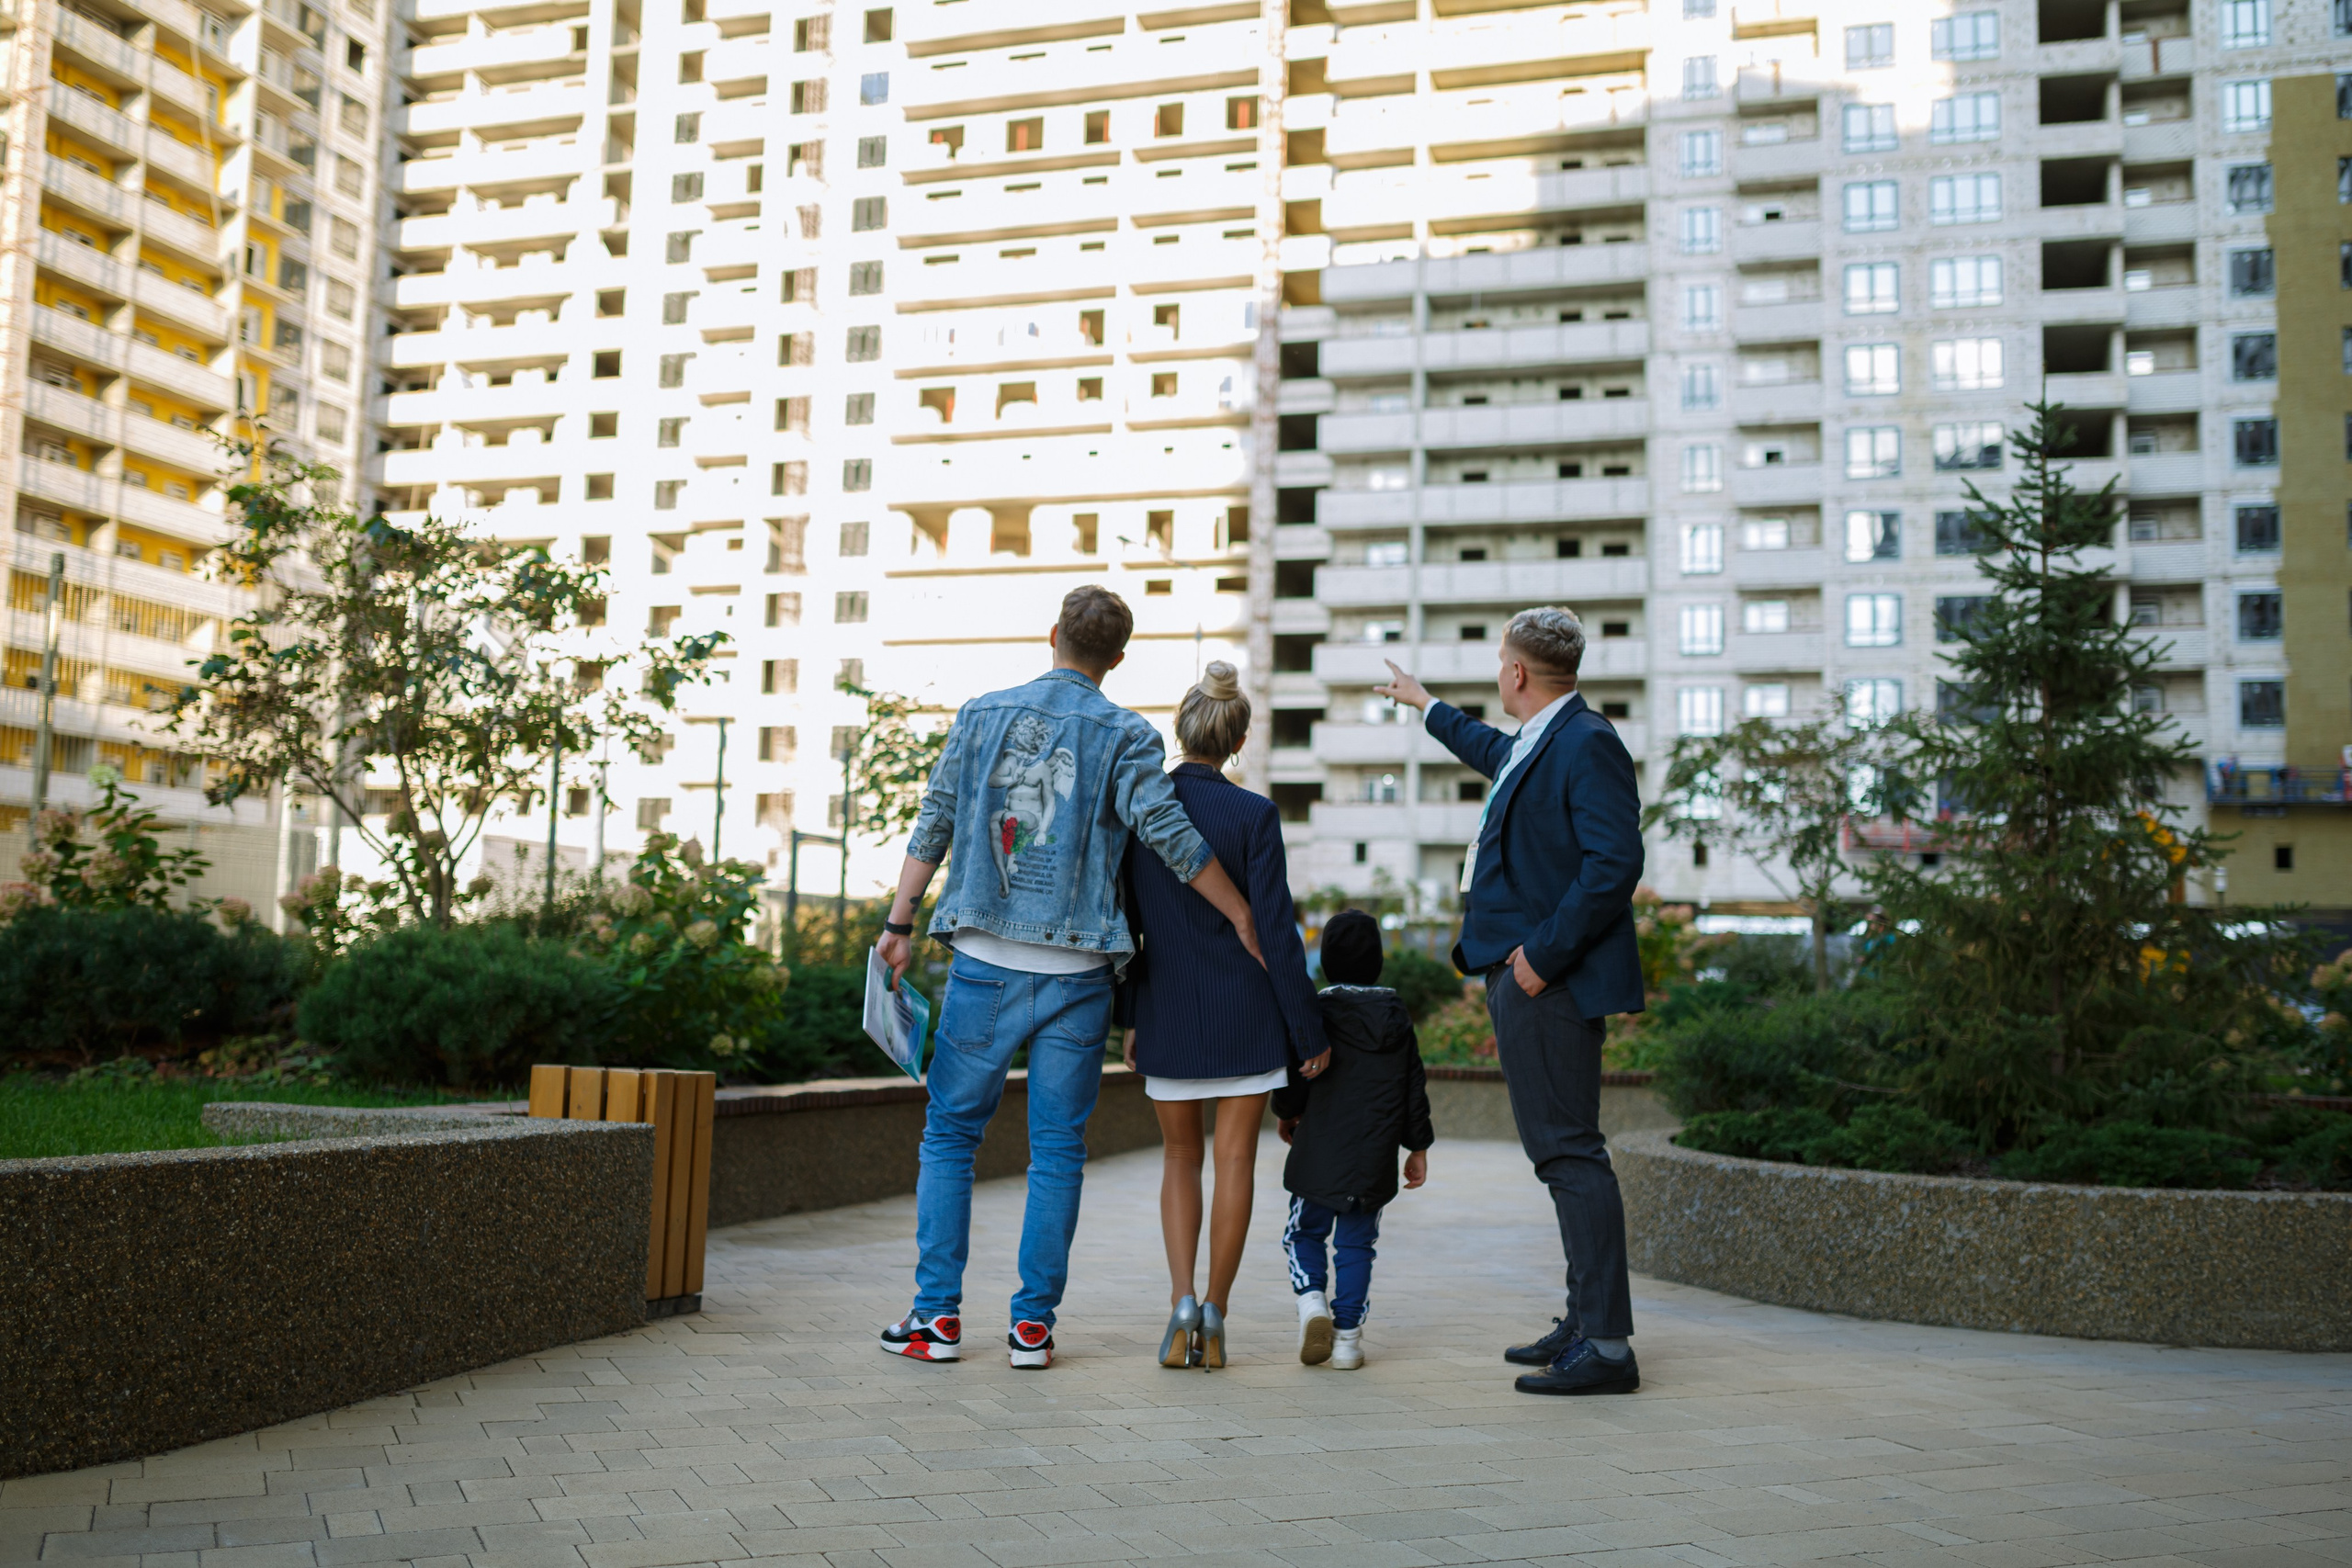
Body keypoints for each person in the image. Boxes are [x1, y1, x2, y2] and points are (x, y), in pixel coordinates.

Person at [875, 587, 1267, 1371]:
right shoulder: (1126, 733)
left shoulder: (982, 714)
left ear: (1051, 634)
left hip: (984, 961)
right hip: (1082, 973)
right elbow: (1169, 834)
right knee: (1057, 1150)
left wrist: (899, 921)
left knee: (951, 1135)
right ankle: (1031, 1328)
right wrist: (1240, 915)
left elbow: (938, 817)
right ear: (1117, 659)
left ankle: (936, 1319)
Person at [1375, 605, 1646, 1396]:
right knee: (1558, 1153)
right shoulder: (1541, 739)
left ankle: (1607, 1346)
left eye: (1500, 662)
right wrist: (1425, 704)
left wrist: (1538, 959)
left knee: (1570, 1152)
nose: (1499, 673)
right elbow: (1491, 750)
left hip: (1546, 979)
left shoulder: (1587, 742)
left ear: (1517, 673)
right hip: (1525, 974)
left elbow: (1613, 863)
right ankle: (1583, 1319)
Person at [1117, 661, 1329, 1370]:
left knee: (1181, 1157)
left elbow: (1126, 926)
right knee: (1236, 1159)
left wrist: (1130, 1016)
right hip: (1246, 1015)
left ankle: (1178, 1303)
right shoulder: (1254, 815)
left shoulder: (1143, 812)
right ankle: (1215, 1311)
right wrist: (1308, 1033)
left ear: (1182, 730)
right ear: (1237, 740)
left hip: (1168, 1010)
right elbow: (1276, 933)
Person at [1272, 909, 1433, 1371]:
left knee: (1302, 1233)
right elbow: (1413, 1087)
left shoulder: (1315, 1014)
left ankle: (1311, 1304)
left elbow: (1292, 1073)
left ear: (1326, 962)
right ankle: (1347, 1340)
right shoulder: (1397, 1019)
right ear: (1378, 962)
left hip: (1319, 1150)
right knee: (1358, 1246)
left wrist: (1287, 1113)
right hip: (1374, 1156)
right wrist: (1416, 1147)